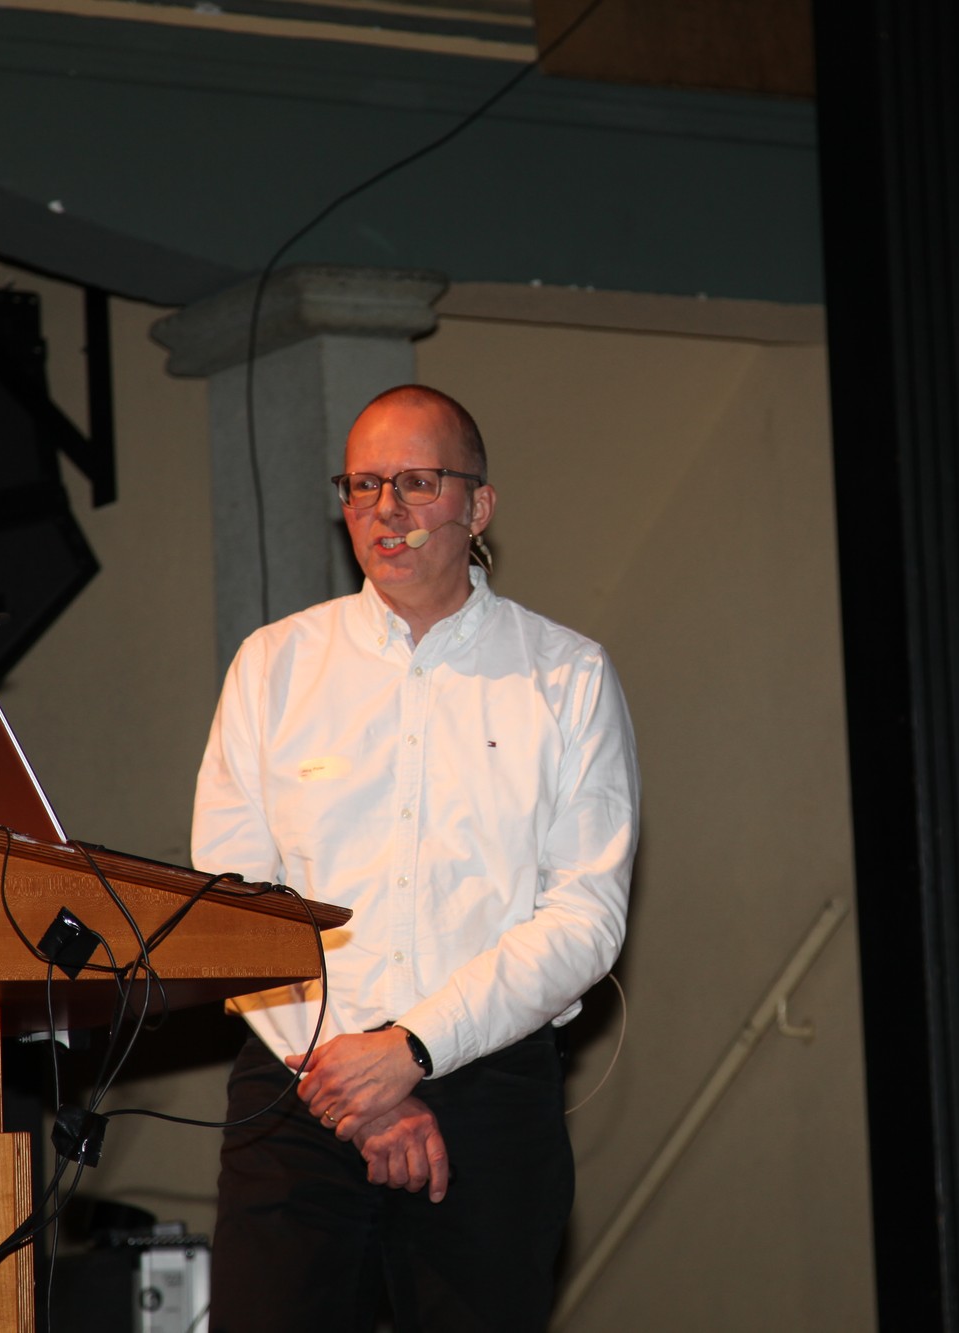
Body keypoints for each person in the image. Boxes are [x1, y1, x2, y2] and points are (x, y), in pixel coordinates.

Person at [190, 384, 640, 1332]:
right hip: (298, 1083)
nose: (385, 509)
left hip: (487, 1091)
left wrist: (412, 1049)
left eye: (417, 482)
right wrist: (358, 1090)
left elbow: (585, 918)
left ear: (479, 505)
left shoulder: (567, 675)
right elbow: (232, 904)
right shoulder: (274, 665)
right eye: (362, 484)